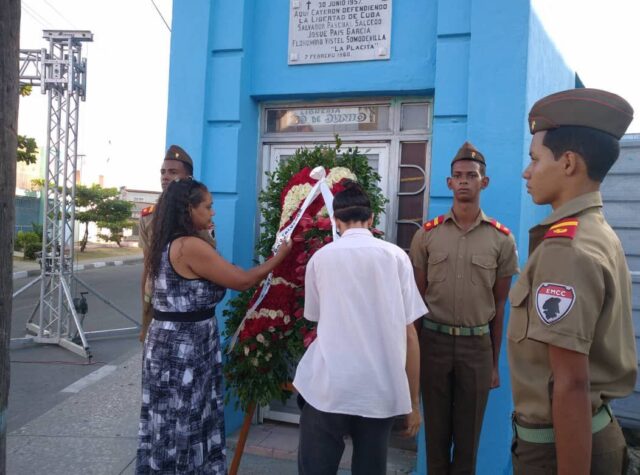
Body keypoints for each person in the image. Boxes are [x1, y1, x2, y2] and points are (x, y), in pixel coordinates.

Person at [508, 88, 637, 475]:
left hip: (560, 451)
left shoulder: (567, 249)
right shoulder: (595, 231)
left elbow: (570, 384)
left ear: (568, 163)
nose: (526, 172)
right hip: (585, 436)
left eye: (534, 159)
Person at [135, 178, 291, 474]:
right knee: (186, 421)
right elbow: (242, 280)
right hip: (184, 348)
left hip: (173, 343)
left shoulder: (168, 241)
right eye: (207, 206)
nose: (213, 213)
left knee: (170, 421)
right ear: (188, 209)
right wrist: (279, 257)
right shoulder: (189, 246)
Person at [293, 180, 426, 475]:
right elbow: (410, 335)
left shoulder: (321, 259)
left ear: (336, 222)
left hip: (329, 388)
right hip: (378, 390)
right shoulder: (396, 258)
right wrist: (413, 404)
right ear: (371, 219)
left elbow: (314, 317)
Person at [409, 142, 519, 474]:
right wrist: (412, 360)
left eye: (471, 175)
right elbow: (416, 302)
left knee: (468, 442)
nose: (464, 182)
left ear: (484, 182)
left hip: (476, 347)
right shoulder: (427, 236)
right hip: (434, 343)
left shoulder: (502, 240)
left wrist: (494, 364)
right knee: (435, 440)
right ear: (448, 183)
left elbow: (500, 305)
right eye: (458, 176)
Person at [138, 145, 216, 342]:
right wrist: (145, 307)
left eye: (173, 172)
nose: (165, 176)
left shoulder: (197, 216)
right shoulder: (149, 216)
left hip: (187, 308)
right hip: (157, 302)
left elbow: (208, 262)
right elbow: (147, 264)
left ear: (187, 178)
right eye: (163, 172)